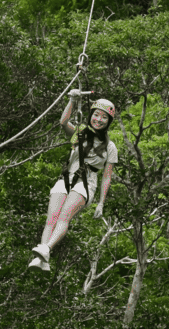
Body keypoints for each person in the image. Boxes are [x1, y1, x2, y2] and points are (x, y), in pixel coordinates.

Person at [30, 90, 116, 272]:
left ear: (108, 122)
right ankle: (42, 259)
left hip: (87, 184)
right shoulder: (80, 133)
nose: (99, 120)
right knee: (51, 219)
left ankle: (46, 249)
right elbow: (63, 122)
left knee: (63, 217)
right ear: (91, 115)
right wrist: (72, 100)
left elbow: (107, 176)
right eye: (96, 115)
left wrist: (101, 203)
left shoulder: (110, 147)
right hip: (67, 177)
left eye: (104, 118)